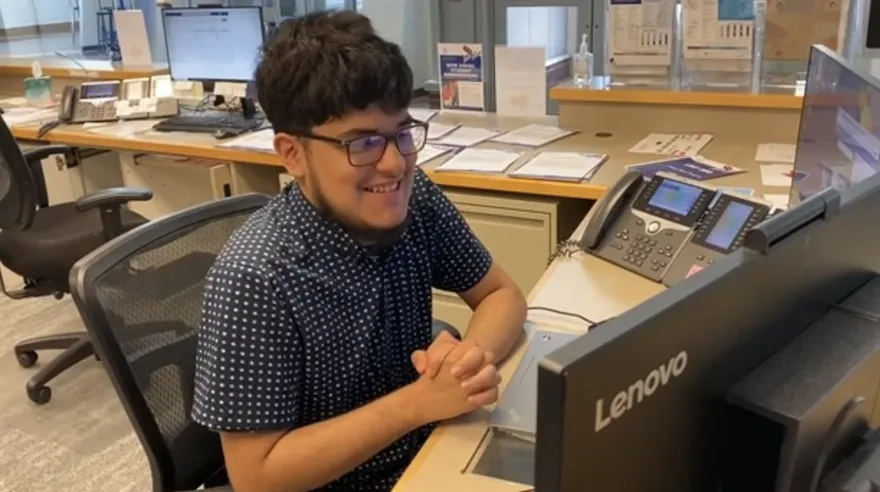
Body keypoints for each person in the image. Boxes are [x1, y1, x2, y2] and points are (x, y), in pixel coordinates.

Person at [190, 9, 527, 492]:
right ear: (292, 155)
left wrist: (468, 362)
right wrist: (416, 404)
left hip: (428, 452)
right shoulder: (256, 275)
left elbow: (502, 295)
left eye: (402, 134)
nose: (394, 164)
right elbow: (256, 476)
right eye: (363, 143)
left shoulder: (417, 200)